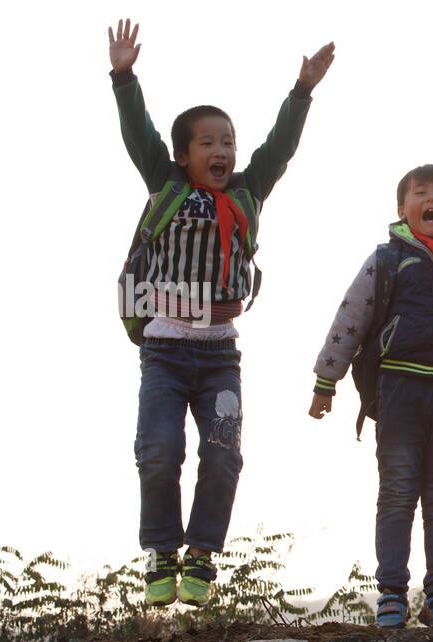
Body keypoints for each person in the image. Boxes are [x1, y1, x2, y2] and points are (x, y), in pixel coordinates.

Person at [110, 20, 334, 606]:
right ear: (183, 156)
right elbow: (140, 134)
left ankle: (203, 555)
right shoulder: (165, 183)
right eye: (207, 143)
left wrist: (302, 91)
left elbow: (278, 148)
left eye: (228, 142)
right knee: (159, 449)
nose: (222, 151)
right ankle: (161, 550)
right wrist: (124, 77)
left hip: (219, 354)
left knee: (223, 451)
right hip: (163, 349)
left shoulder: (247, 193)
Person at [309, 165, 433, 629]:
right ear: (403, 208)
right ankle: (392, 594)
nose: (430, 198)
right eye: (420, 193)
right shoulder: (387, 259)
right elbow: (351, 317)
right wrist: (326, 380)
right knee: (397, 494)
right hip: (399, 389)